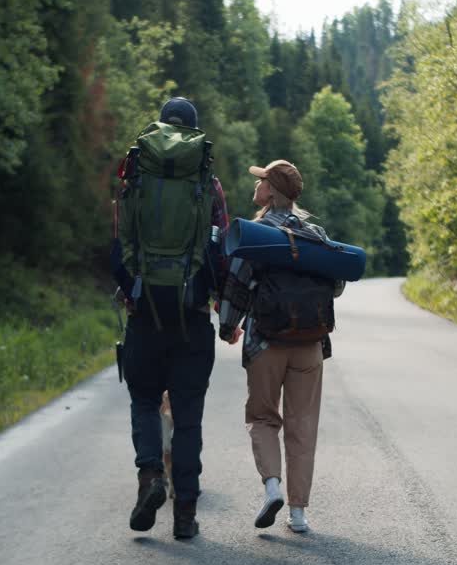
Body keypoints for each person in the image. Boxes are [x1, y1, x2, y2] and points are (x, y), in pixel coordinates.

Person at [111, 97, 229, 540]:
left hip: (144, 311)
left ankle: (149, 478)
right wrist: (220, 302)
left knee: (143, 399)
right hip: (191, 313)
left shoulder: (136, 173)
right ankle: (185, 515)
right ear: (195, 132)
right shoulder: (207, 182)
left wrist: (130, 289)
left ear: (160, 127)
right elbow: (220, 251)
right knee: (189, 416)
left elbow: (122, 238)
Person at [217, 160, 343, 533]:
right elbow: (335, 286)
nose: (256, 186)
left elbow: (237, 284)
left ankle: (272, 486)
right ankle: (298, 513)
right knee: (302, 426)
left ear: (271, 191)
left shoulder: (255, 234)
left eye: (261, 182)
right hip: (309, 344)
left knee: (262, 418)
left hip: (265, 342)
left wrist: (228, 327)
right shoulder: (315, 233)